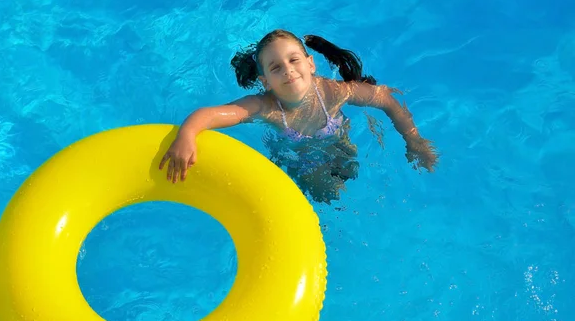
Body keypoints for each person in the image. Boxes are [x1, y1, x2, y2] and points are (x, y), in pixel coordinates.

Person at [159, 29, 438, 203]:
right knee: (327, 196)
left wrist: (414, 140)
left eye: (294, 60)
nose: (288, 71)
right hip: (298, 156)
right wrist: (187, 133)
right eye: (275, 68)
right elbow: (210, 114)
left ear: (310, 63)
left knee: (350, 173)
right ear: (266, 81)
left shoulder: (333, 91)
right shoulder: (265, 106)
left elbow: (386, 100)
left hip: (337, 141)